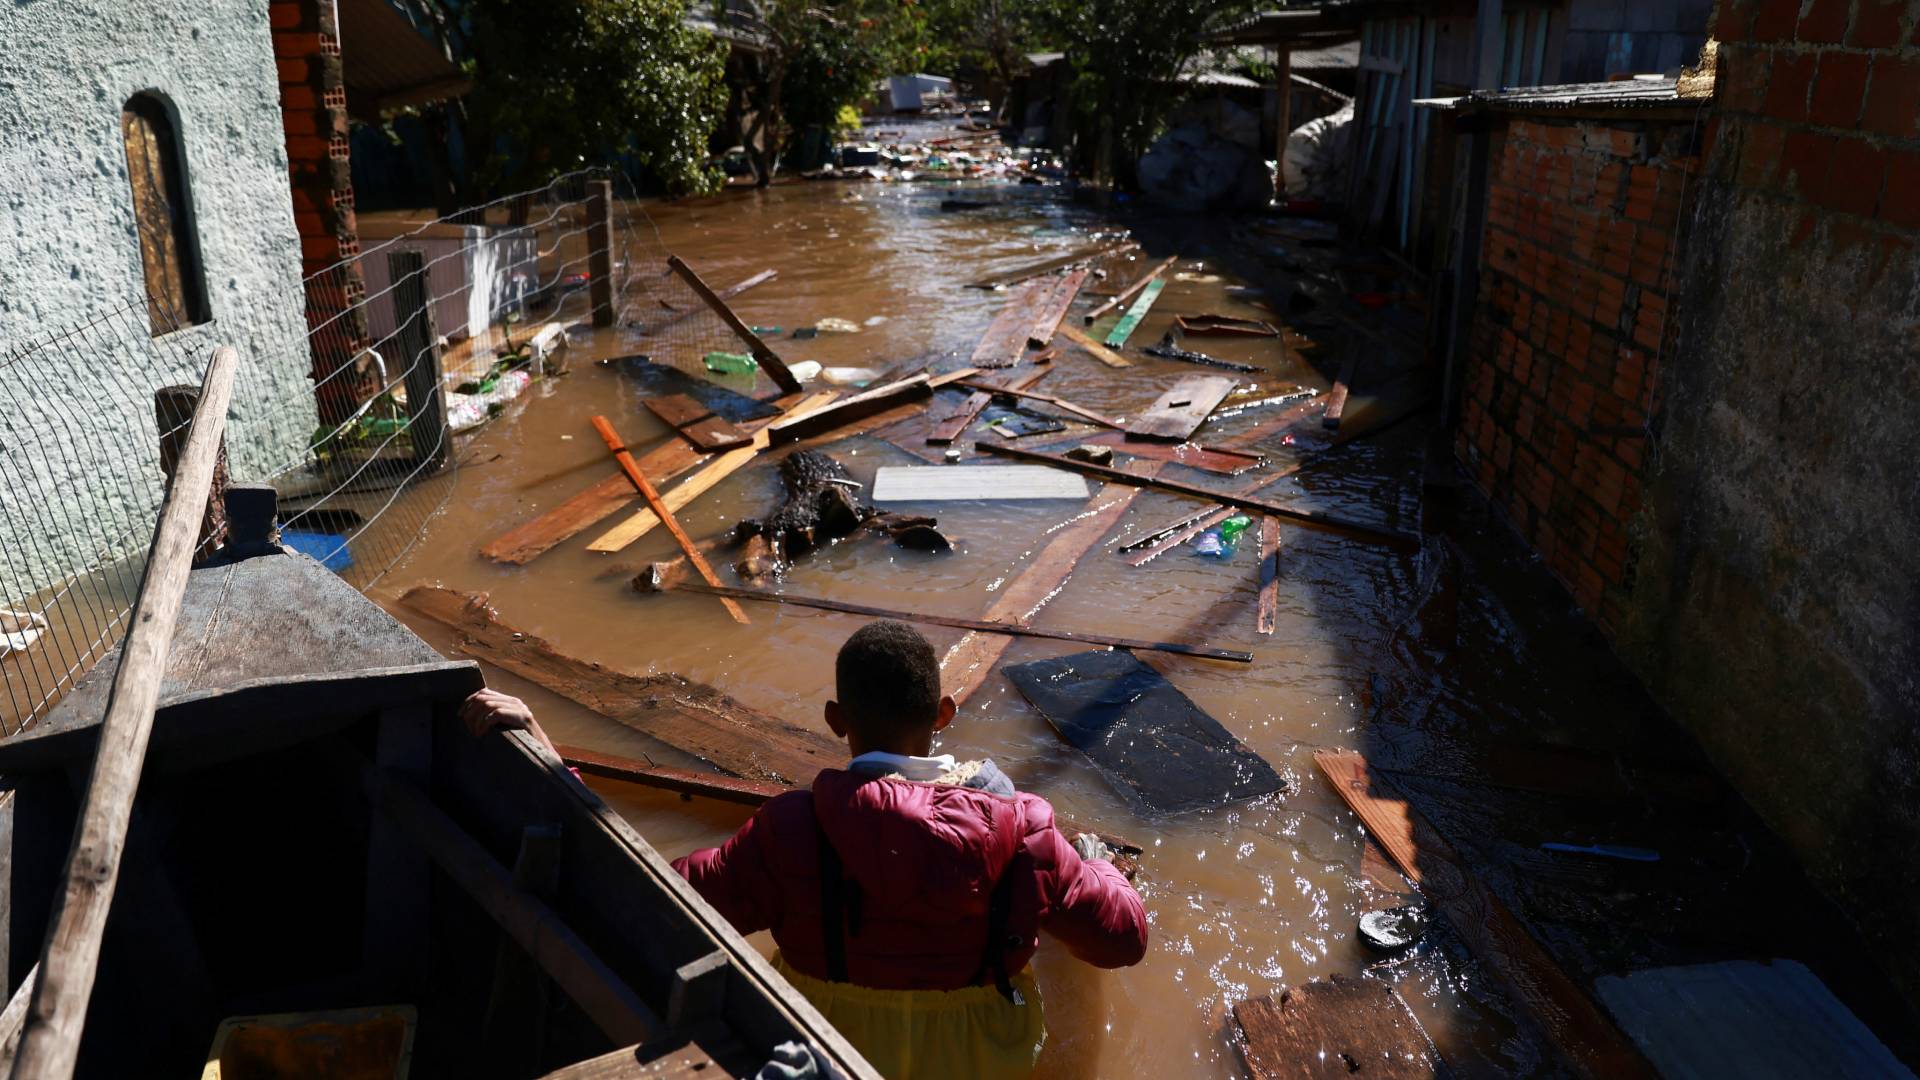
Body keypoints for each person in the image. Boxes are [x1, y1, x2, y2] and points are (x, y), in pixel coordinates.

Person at [672, 620, 1148, 1079]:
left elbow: (681, 899)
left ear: (836, 720)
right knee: (1058, 922)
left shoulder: (789, 826)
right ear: (944, 712)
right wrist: (1095, 866)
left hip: (824, 1046)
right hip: (976, 1058)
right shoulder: (1022, 827)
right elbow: (1124, 940)